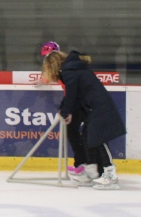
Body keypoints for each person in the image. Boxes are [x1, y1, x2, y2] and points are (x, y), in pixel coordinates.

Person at [41, 48, 126, 189]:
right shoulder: (75, 68)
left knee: (99, 139)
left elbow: (72, 94)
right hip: (93, 107)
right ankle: (91, 173)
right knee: (88, 136)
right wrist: (67, 111)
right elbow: (76, 94)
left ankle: (110, 174)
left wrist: (65, 112)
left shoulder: (69, 71)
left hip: (98, 107)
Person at [39, 40, 88, 172]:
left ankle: (83, 164)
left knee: (73, 132)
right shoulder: (64, 68)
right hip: (76, 102)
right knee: (74, 132)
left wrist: (67, 109)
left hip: (78, 102)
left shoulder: (65, 70)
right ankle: (83, 163)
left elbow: (72, 92)